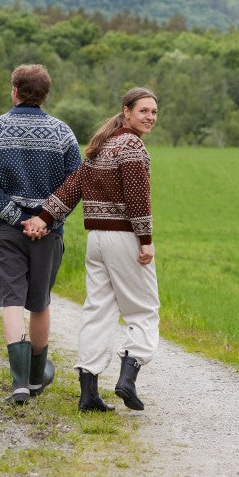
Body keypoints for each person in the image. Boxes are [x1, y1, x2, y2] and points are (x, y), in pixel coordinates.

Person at [23, 87, 160, 413]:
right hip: (124, 239)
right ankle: (128, 376)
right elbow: (138, 199)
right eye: (144, 111)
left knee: (98, 310)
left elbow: (73, 187)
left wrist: (43, 218)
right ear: (126, 111)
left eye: (154, 112)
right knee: (143, 309)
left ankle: (89, 392)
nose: (150, 117)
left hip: (96, 240)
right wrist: (146, 240)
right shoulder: (132, 147)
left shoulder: (102, 145)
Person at [0, 64, 82, 405]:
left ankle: (19, 383)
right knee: (39, 303)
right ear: (46, 95)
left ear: (15, 91)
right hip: (48, 234)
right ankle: (37, 378)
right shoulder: (63, 134)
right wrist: (43, 221)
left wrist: (18, 218)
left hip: (7, 230)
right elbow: (74, 184)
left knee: (12, 301)